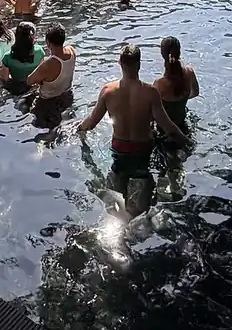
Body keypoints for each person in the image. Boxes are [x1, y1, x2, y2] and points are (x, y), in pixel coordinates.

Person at [79, 44, 189, 213]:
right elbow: (169, 128)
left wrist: (79, 129)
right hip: (143, 150)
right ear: (139, 64)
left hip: (119, 151)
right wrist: (188, 142)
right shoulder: (151, 92)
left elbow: (91, 123)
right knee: (145, 199)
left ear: (119, 63)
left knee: (118, 196)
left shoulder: (108, 91)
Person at [29, 23, 76, 123]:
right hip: (67, 97)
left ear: (48, 43)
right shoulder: (72, 51)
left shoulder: (48, 65)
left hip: (47, 103)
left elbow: (29, 80)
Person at [152, 36, 200, 133]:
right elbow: (195, 93)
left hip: (163, 129)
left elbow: (153, 111)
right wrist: (181, 100)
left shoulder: (159, 83)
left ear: (162, 55)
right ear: (179, 52)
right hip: (182, 124)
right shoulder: (189, 72)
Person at [0, 21, 45, 88]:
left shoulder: (7, 57)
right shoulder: (39, 51)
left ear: (16, 36)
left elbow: (5, 80)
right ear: (33, 37)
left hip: (16, 87)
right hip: (33, 86)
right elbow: (41, 74)